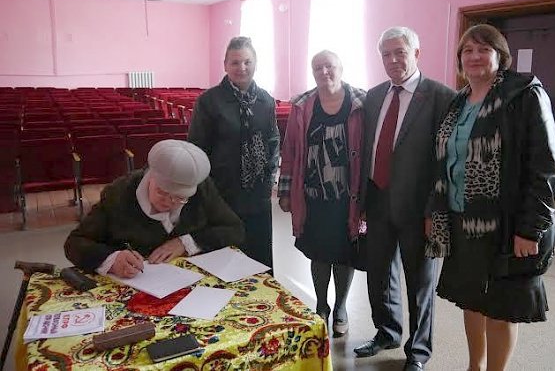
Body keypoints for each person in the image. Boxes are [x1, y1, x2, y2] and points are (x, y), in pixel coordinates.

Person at [425, 24, 555, 371]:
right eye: (467, 50)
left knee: (501, 306)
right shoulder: (457, 103)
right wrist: (434, 210)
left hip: (506, 224)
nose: (474, 56)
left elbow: (545, 167)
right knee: (471, 300)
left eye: (483, 49)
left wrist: (530, 230)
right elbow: (443, 164)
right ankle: (475, 366)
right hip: (461, 219)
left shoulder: (524, 96)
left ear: (500, 56)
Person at [355, 26, 455, 371]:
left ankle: (419, 351)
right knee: (379, 275)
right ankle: (387, 332)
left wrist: (435, 209)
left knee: (420, 283)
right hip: (378, 201)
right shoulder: (373, 96)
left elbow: (447, 161)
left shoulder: (441, 97)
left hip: (419, 208)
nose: (393, 60)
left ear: (416, 53)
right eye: (386, 54)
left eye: (400, 52)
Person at [278, 50, 366, 337]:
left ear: (341, 68)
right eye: (318, 67)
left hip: (348, 196)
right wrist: (286, 191)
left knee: (344, 254)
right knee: (319, 254)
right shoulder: (303, 106)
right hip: (313, 195)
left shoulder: (360, 102)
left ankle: (340, 307)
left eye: (329, 66)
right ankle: (321, 304)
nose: (324, 72)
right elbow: (290, 150)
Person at [64, 139, 245, 278]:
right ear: (151, 178)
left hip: (189, 282)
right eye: (162, 193)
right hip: (135, 283)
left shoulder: (201, 188)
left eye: (180, 198)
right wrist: (112, 259)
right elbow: (75, 243)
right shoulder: (119, 194)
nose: (169, 202)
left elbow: (234, 229)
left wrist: (185, 242)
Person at [188, 36, 279, 269]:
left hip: (257, 194)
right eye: (235, 62)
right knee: (225, 260)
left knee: (258, 258)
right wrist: (205, 193)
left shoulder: (265, 100)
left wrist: (268, 180)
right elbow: (197, 150)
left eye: (247, 62)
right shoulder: (209, 101)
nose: (242, 68)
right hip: (222, 195)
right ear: (225, 65)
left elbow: (272, 140)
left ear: (255, 63)